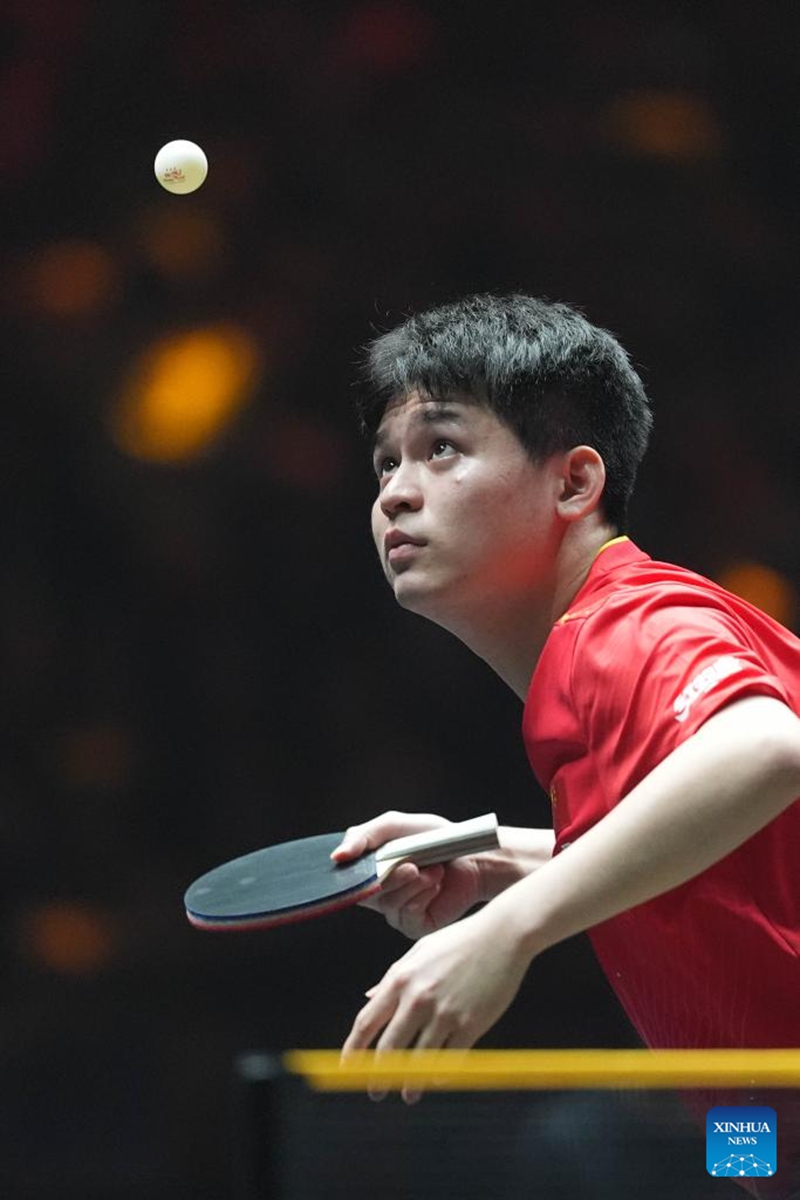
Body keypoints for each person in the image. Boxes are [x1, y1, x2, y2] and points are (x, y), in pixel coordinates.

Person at [333, 293, 800, 1197]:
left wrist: (506, 933)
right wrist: (501, 859)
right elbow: (737, 856)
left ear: (575, 484)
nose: (395, 491)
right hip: (769, 1149)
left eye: (442, 447)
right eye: (387, 461)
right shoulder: (592, 666)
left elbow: (767, 750)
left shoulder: (626, 624)